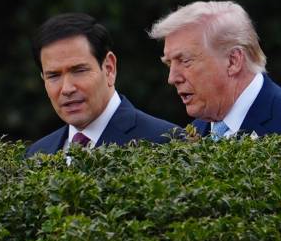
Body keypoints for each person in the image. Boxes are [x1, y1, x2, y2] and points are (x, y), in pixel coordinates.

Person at [149, 0, 281, 138]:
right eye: (170, 64)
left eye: (185, 61)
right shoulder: (191, 135)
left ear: (233, 61)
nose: (172, 78)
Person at [26, 13, 178, 156]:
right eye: (53, 76)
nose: (67, 89)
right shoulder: (36, 154)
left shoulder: (166, 143)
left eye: (79, 70)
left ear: (109, 68)